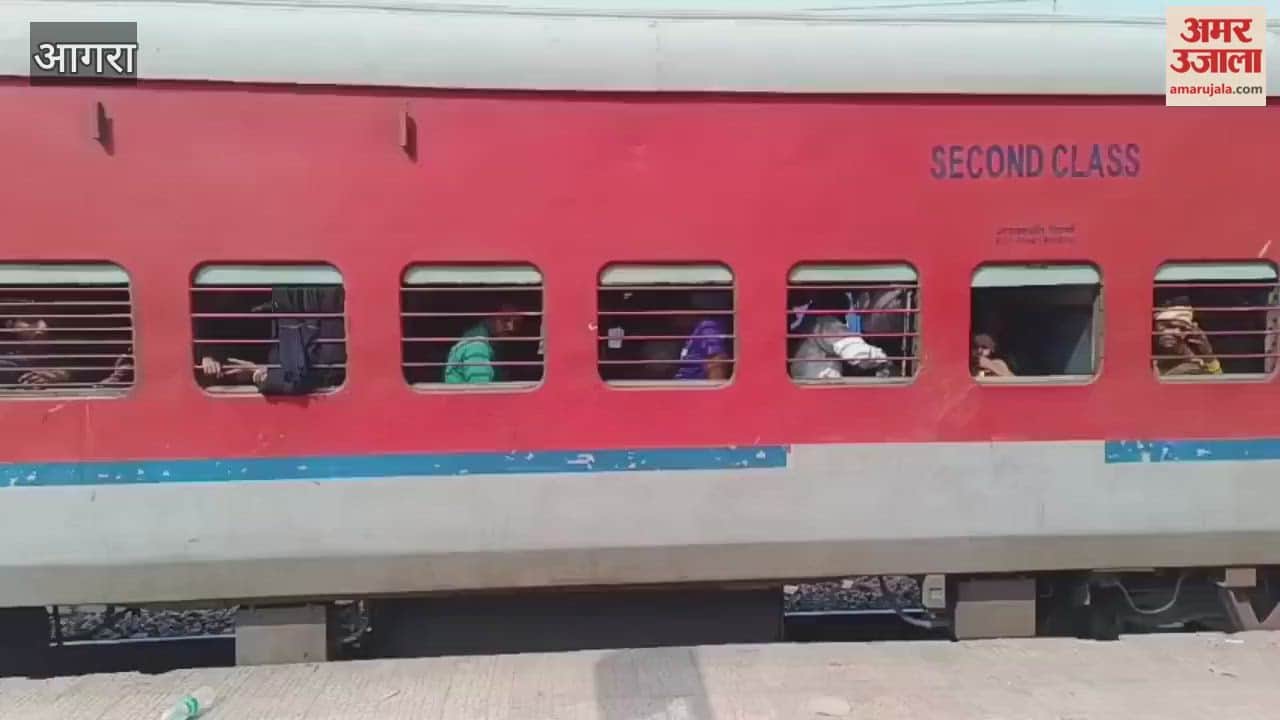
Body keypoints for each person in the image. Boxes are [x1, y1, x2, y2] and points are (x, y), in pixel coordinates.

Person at [789, 313, 889, 380]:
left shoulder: (805, 329)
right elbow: (855, 350)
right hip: (817, 382)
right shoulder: (825, 323)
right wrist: (880, 358)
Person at [444, 304, 523, 384]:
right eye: (505, 320)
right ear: (491, 317)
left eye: (516, 323)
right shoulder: (477, 344)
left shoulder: (493, 343)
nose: (511, 328)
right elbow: (480, 387)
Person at [0, 306, 72, 388]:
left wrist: (64, 376)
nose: (43, 328)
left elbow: (79, 371)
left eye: (50, 321)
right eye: (30, 320)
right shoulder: (4, 358)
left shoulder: (64, 357)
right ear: (10, 324)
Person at [673, 293, 732, 381]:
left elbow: (716, 361)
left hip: (696, 387)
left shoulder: (707, 327)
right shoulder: (690, 332)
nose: (674, 320)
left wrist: (714, 388)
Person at [1153, 303, 1222, 376]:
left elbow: (1217, 377)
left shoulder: (1190, 363)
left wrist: (1208, 356)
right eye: (1170, 326)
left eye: (1183, 328)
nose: (1177, 332)